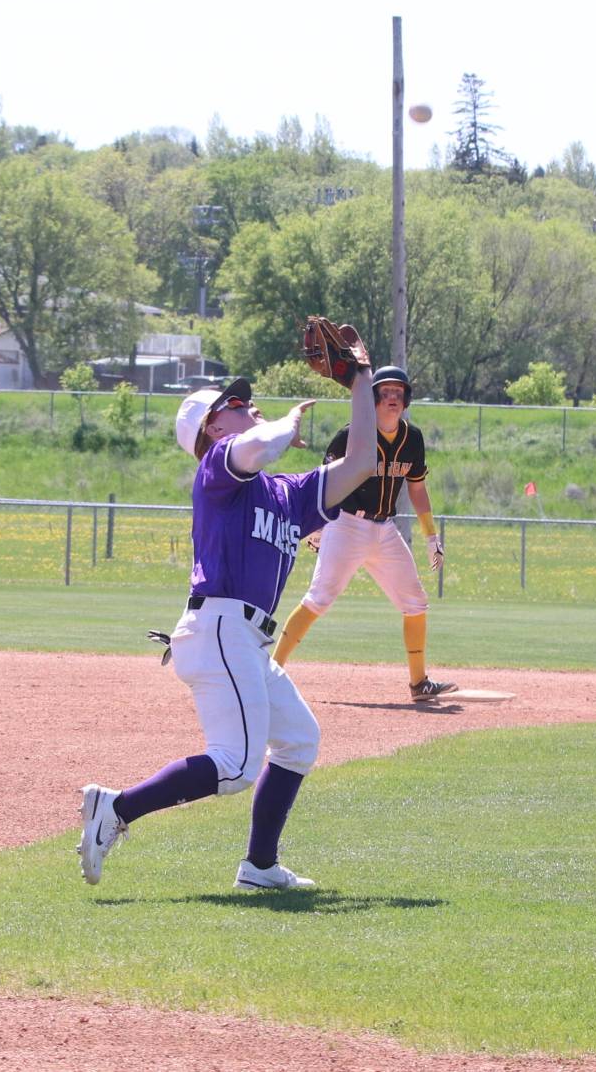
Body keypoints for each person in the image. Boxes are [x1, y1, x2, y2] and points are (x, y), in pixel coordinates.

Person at [78, 359, 377, 890]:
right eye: (236, 405)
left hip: (247, 640)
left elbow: (361, 465)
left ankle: (259, 867)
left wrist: (361, 383)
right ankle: (116, 808)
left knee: (299, 741)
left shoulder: (285, 494)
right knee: (236, 766)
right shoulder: (217, 469)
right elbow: (260, 446)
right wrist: (286, 421)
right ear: (212, 430)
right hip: (221, 626)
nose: (249, 405)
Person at [272, 366, 458, 704]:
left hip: (385, 529)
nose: (392, 398)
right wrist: (317, 525)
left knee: (415, 602)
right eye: (385, 392)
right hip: (346, 524)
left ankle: (419, 684)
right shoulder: (351, 436)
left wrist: (431, 536)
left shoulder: (412, 439)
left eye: (398, 392)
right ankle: (271, 672)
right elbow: (323, 481)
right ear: (372, 400)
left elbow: (417, 489)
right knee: (319, 598)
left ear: (406, 399)